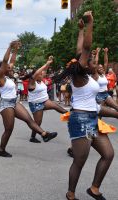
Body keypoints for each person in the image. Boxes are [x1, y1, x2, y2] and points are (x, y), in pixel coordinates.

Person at [55, 12, 115, 200]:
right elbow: (86, 48)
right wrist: (91, 23)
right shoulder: (79, 75)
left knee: (108, 154)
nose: (93, 62)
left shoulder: (87, 75)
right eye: (90, 60)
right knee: (80, 161)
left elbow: (81, 48)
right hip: (81, 120)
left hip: (92, 118)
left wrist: (81, 30)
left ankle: (94, 189)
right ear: (84, 63)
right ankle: (70, 194)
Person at [0, 41, 57, 157]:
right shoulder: (0, 77)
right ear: (2, 69)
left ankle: (44, 134)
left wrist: (15, 49)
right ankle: (1, 150)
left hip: (14, 102)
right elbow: (6, 61)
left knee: (29, 120)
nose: (11, 67)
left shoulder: (7, 76)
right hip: (6, 105)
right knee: (9, 129)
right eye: (8, 68)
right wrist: (9, 47)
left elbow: (11, 61)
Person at [23, 56, 68, 143]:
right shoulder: (32, 82)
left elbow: (44, 70)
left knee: (55, 105)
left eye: (42, 74)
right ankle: (33, 137)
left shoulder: (42, 80)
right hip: (36, 104)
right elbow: (37, 73)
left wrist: (49, 62)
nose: (42, 74)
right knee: (37, 123)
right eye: (40, 74)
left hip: (45, 101)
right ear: (35, 75)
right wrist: (46, 64)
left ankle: (71, 116)